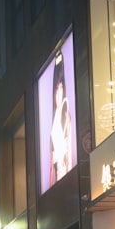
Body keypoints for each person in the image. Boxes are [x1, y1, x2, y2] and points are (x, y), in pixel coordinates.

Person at [48, 56, 73, 184]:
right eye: (57, 89)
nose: (59, 93)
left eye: (61, 88)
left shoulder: (65, 118)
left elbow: (69, 150)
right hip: (58, 173)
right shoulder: (54, 118)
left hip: (64, 171)